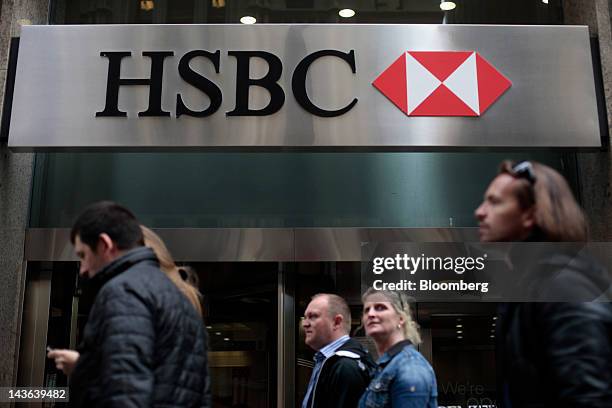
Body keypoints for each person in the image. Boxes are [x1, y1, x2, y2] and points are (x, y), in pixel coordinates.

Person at [475, 160, 612, 406]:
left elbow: (589, 397)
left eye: (495, 202)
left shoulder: (563, 288)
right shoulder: (531, 285)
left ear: (530, 214)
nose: (480, 212)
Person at [48, 201, 209, 407]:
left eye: (83, 255)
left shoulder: (124, 292)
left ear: (105, 244)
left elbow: (126, 393)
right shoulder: (181, 302)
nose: (82, 269)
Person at [359, 289, 437, 408]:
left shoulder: (410, 367)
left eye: (380, 307)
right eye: (366, 310)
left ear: (401, 318)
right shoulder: (385, 366)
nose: (371, 314)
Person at [301, 293, 374, 408]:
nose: (305, 324)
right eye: (305, 317)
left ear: (337, 322)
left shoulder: (345, 366)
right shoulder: (327, 360)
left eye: (313, 316)